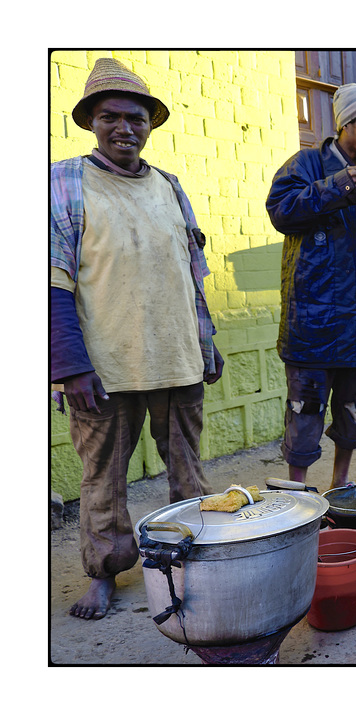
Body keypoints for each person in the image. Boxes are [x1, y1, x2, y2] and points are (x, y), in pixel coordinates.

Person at [50, 58, 223, 620]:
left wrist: (207, 342)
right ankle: (105, 573)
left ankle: (190, 558)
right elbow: (51, 281)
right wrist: (69, 367)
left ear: (151, 124)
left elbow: (190, 271)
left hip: (177, 359)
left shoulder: (170, 186)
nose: (124, 127)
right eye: (110, 117)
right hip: (103, 370)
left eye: (136, 117)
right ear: (91, 122)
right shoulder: (64, 181)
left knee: (189, 473)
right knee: (103, 480)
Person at [266, 84, 356, 491]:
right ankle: (297, 489)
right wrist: (340, 185)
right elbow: (281, 213)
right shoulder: (306, 165)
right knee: (305, 410)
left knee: (353, 411)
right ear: (346, 123)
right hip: (314, 321)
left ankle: (340, 485)